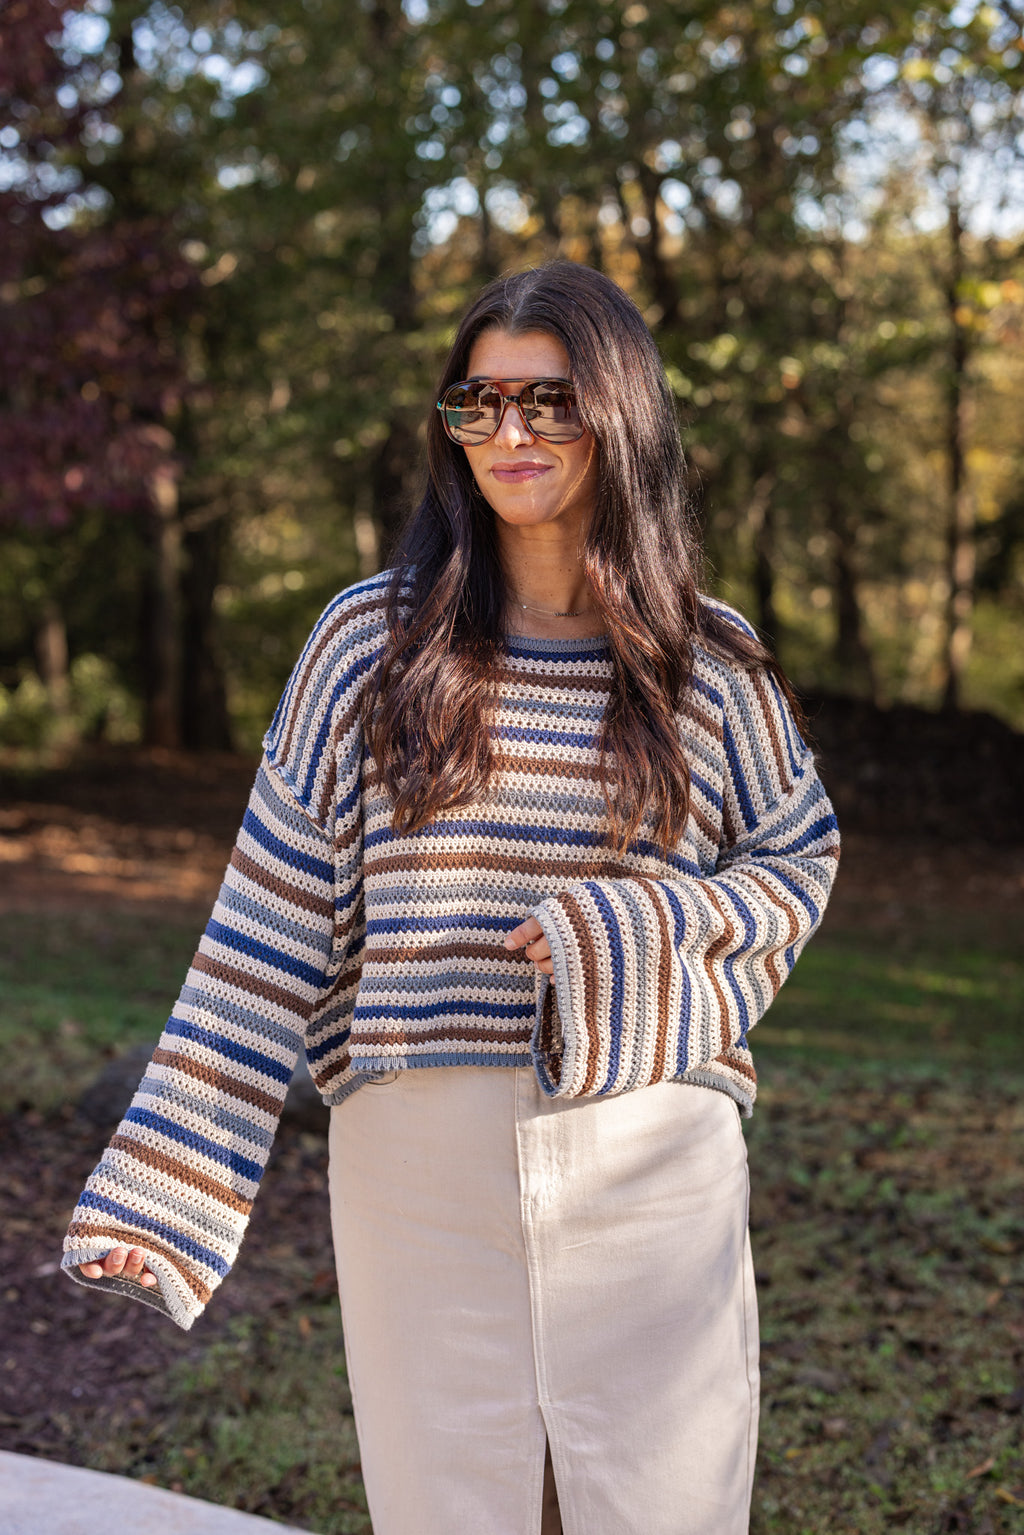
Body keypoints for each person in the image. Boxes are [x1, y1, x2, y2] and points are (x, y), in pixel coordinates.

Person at [63, 260, 839, 1535]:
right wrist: (171, 1181)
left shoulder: (712, 662)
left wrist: (630, 932)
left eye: (548, 401)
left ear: (621, 412)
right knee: (449, 1504)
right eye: (476, 405)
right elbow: (266, 920)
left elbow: (797, 864)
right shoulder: (367, 644)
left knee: (660, 1505)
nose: (509, 434)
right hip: (415, 1158)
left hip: (648, 1154)